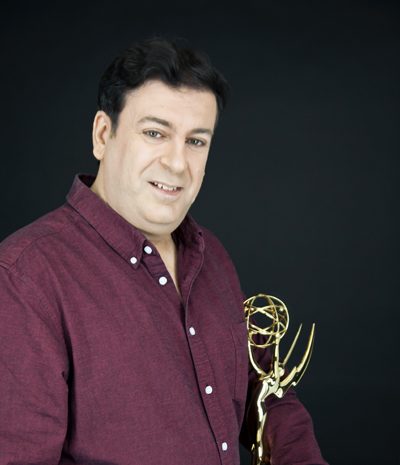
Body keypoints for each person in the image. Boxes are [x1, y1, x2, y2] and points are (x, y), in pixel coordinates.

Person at [0, 38, 327, 465]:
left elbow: (263, 387)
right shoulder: (25, 279)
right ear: (103, 135)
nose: (177, 163)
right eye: (155, 133)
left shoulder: (211, 257)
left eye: (196, 141)